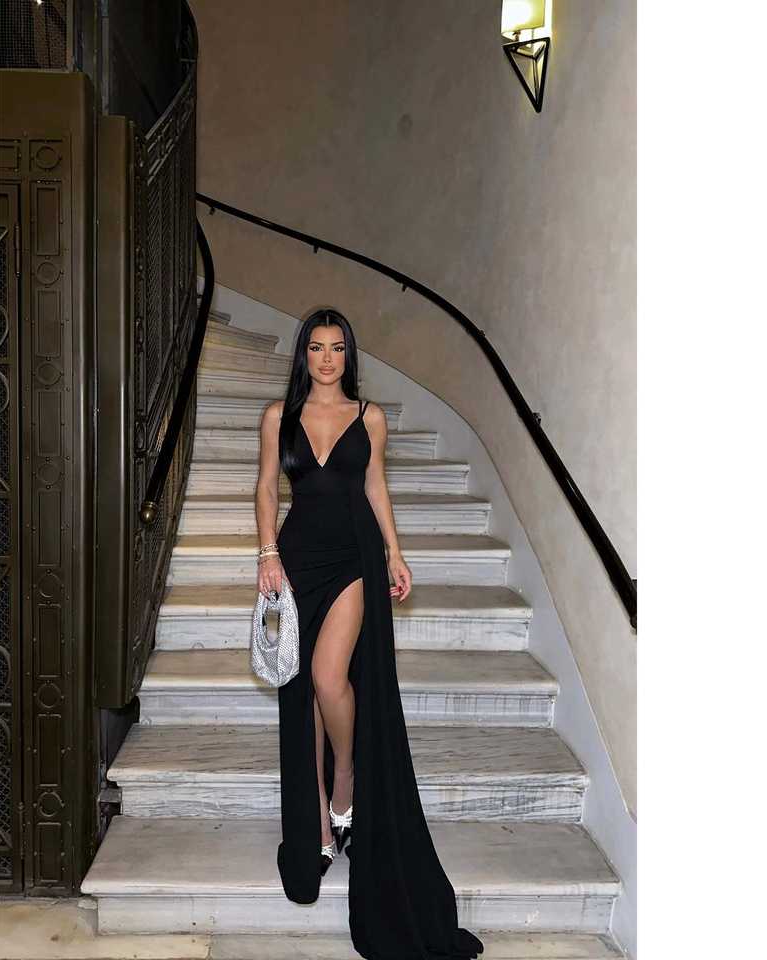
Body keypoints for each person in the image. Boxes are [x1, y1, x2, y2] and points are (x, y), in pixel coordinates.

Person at [254, 307, 484, 959]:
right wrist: (266, 553)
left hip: (355, 555)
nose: (327, 359)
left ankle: (346, 778)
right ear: (303, 355)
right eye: (316, 348)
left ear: (348, 356)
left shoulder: (370, 417)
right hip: (299, 557)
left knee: (330, 678)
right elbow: (266, 488)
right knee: (303, 693)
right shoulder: (278, 416)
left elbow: (375, 486)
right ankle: (320, 828)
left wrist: (395, 552)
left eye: (337, 348)